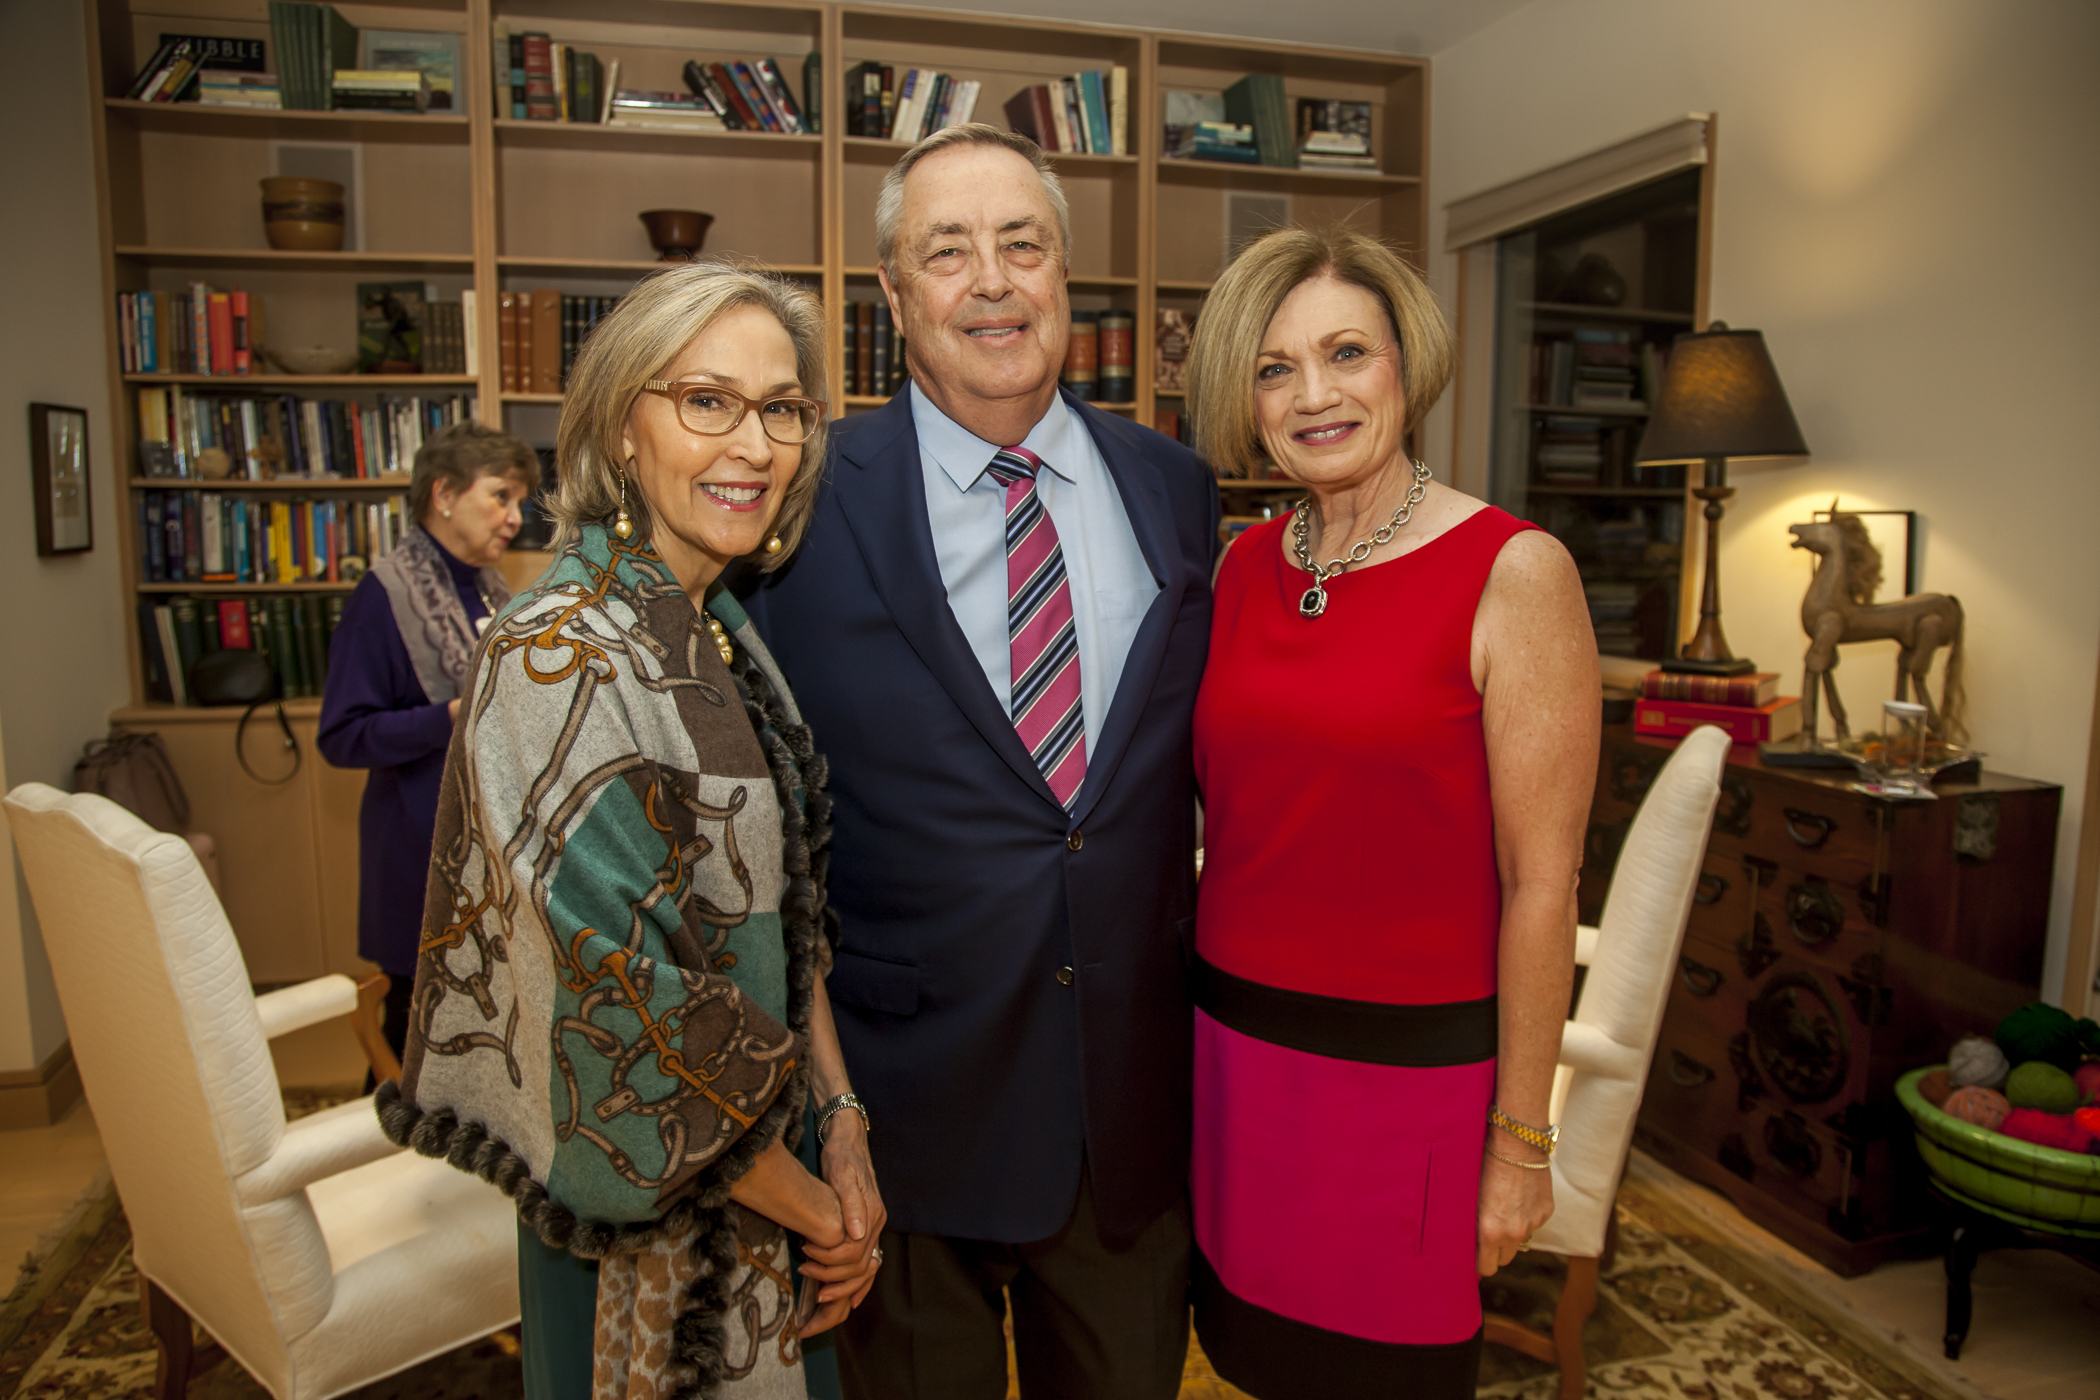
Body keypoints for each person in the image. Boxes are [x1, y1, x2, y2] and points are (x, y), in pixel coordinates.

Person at [739, 124, 1219, 1399]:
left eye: (1024, 244)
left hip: (1125, 1116)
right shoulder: (795, 498)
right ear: (893, 293)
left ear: (1067, 272)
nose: (993, 282)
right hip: (901, 1123)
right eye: (947, 252)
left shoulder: (1174, 485)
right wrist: (823, 1107)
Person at [378, 263, 883, 1400]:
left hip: (771, 1168)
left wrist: (842, 1120)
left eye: (782, 408)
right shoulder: (555, 655)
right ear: (620, 426)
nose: (752, 444)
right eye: (706, 400)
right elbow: (617, 1010)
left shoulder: (718, 626)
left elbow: (789, 911)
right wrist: (820, 1212)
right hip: (651, 1225)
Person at [1181, 225, 1598, 1398]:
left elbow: (1543, 885)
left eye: (1346, 352)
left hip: (1408, 1087)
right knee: (1250, 1360)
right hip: (1236, 1061)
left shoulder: (1516, 571)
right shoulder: (1239, 568)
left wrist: (1521, 1141)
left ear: (1406, 362)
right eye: (1275, 368)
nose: (1313, 394)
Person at [318, 420, 535, 1067]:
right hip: (416, 851)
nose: (515, 518)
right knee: (411, 1039)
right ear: (443, 495)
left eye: (519, 502)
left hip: (483, 849)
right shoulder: (381, 596)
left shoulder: (489, 586)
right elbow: (342, 735)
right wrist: (449, 717)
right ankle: (382, 1135)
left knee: (471, 1043)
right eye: (500, 496)